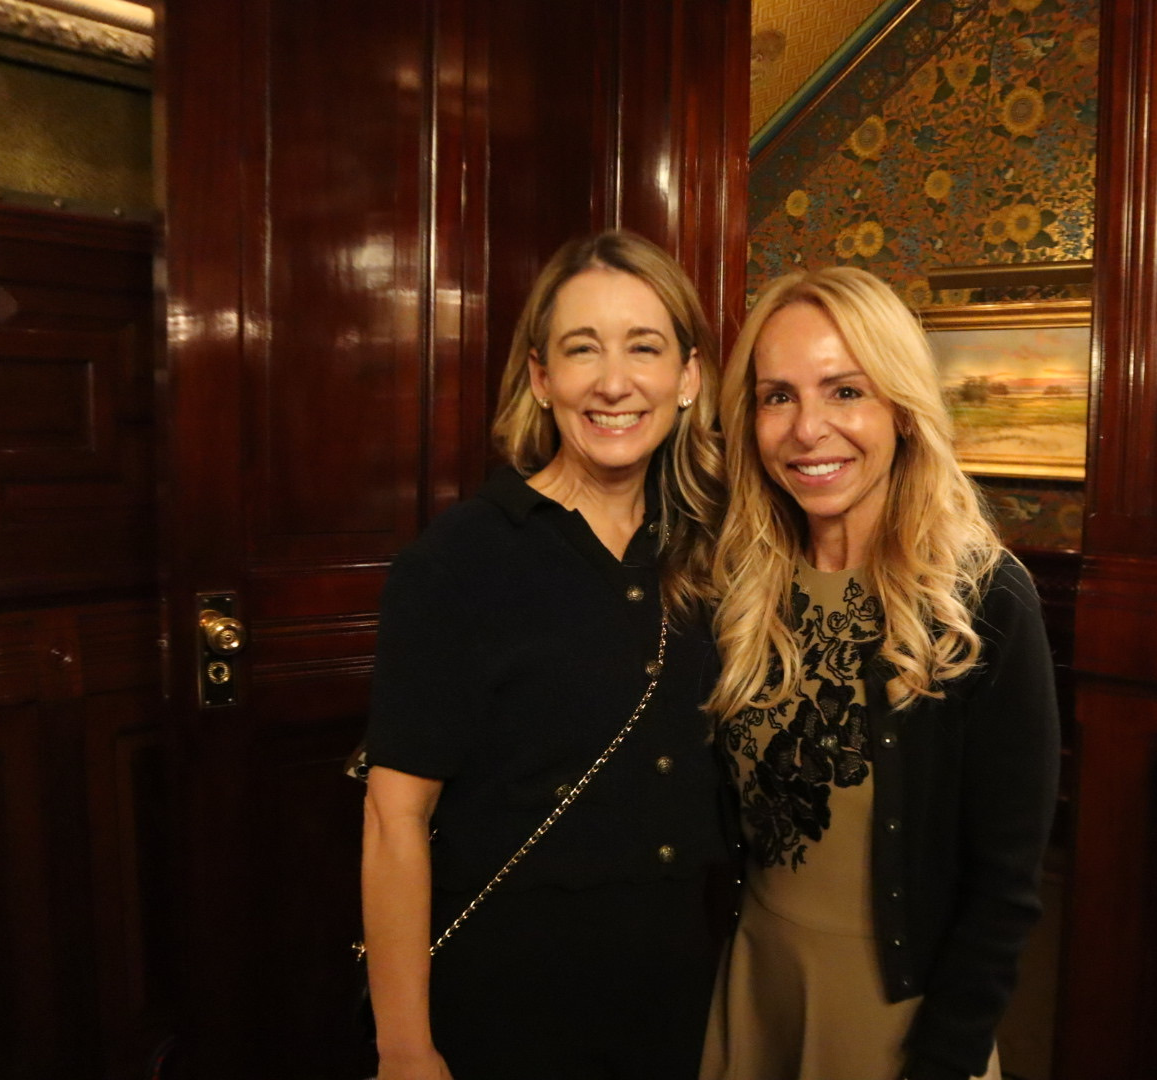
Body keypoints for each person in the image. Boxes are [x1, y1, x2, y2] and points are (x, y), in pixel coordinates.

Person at [360, 231, 732, 1080]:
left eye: (645, 347)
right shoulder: (459, 561)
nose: (613, 382)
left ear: (687, 378)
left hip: (679, 989)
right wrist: (405, 1045)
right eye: (582, 349)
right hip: (511, 995)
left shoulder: (714, 549)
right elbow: (394, 819)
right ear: (540, 377)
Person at [701, 266, 1061, 1080]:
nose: (808, 429)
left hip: (900, 1020)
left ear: (900, 407)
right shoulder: (741, 586)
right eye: (778, 396)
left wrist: (944, 1058)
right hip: (756, 983)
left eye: (845, 391)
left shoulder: (982, 600)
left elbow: (1005, 887)